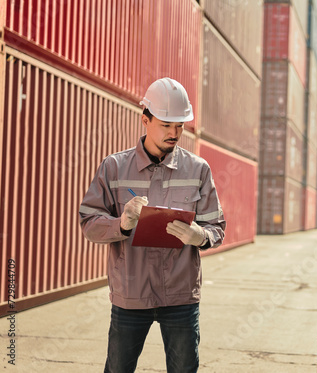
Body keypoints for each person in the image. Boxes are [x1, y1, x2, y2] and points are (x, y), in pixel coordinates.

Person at [79, 77, 226, 373]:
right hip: (131, 293)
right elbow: (89, 221)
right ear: (144, 119)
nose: (174, 133)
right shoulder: (114, 167)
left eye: (180, 126)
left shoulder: (198, 169)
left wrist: (200, 236)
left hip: (181, 295)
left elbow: (217, 227)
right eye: (166, 125)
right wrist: (121, 223)